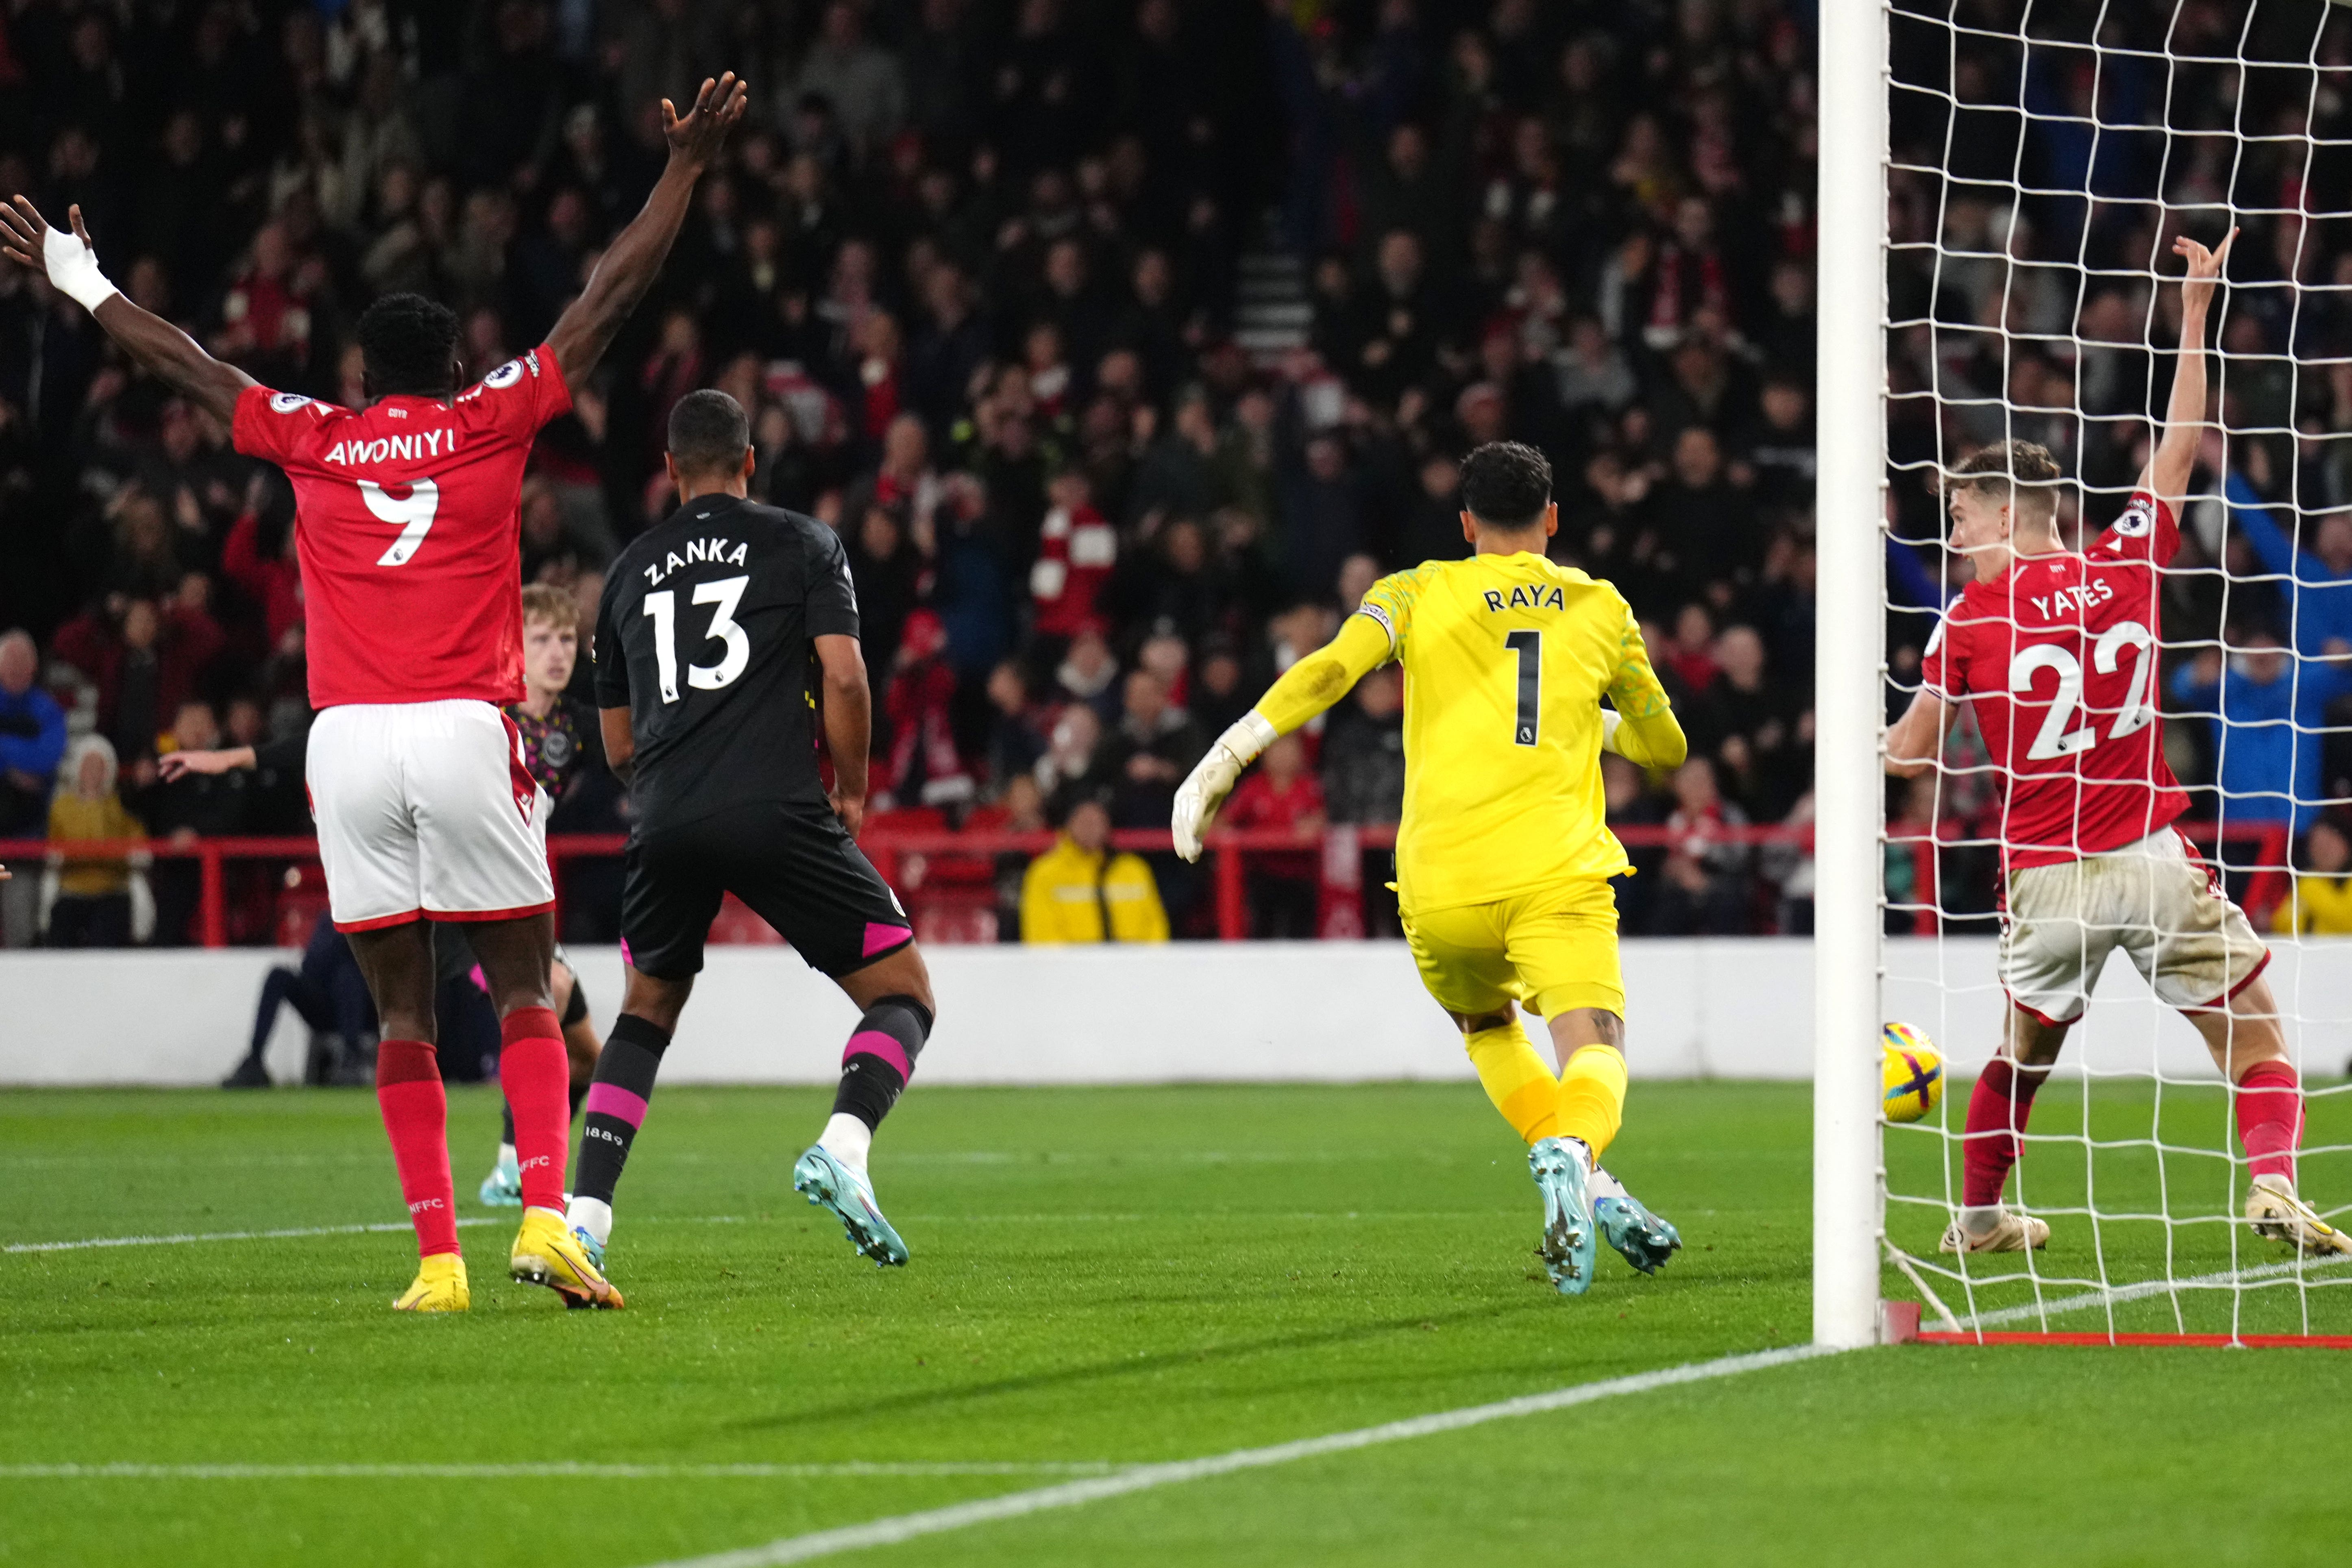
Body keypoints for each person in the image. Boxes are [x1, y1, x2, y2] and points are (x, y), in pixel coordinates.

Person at [2, 72, 752, 1312]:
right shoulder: (490, 419)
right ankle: (551, 1223)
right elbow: (606, 298)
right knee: (521, 983)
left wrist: (82, 282)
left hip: (344, 741)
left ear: (360, 376)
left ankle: (439, 1260)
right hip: (464, 724)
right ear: (455, 364)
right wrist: (684, 168)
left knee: (399, 1005)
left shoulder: (314, 435)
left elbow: (183, 366)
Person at [1886, 230, 2347, 1259]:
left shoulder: (1967, 617)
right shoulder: (2128, 560)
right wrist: (2192, 313)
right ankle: (2270, 1179)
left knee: (2022, 1053)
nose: (1954, 528)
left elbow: (1914, 756)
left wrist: (1874, 737)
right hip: (2149, 856)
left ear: (2010, 508)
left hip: (2045, 877)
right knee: (2256, 1037)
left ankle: (1977, 1216)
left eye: (1962, 510)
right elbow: (2178, 446)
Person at [1172, 440, 1689, 1296]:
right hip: (1554, 871)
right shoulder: (1601, 607)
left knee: (1488, 1028)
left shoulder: (1414, 591)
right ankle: (1577, 1148)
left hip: (1438, 884)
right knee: (1593, 1043)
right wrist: (1589, 722)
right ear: (1552, 518)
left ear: (1465, 524)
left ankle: (1591, 1184)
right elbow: (1665, 747)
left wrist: (1233, 751)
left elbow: (1334, 668)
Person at [574, 388, 936, 1285]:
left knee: (646, 1009)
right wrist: (849, 789)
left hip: (663, 813)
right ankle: (844, 1145)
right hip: (776, 806)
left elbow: (617, 745)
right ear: (748, 463)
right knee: (904, 991)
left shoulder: (626, 572)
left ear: (669, 471)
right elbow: (846, 679)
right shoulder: (803, 542)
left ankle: (581, 1221)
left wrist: (675, 789)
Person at [219, 912, 379, 1089]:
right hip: (327, 1008)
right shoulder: (330, 919)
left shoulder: (373, 919)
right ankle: (255, 1060)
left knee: (348, 976)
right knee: (278, 976)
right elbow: (310, 968)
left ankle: (351, 1059)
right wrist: (341, 937)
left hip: (369, 1009)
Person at [1019, 794, 1170, 943]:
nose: (1091, 828)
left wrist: (1149, 962)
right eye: (1084, 821)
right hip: (1071, 965)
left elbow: (1156, 926)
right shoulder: (1045, 873)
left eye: (1097, 821)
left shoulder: (1134, 869)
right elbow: (1040, 934)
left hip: (1135, 964)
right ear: (1069, 824)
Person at [45, 735, 146, 948]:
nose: (92, 772)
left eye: (98, 766)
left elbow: (138, 845)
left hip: (112, 891)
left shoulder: (122, 804)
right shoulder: (61, 806)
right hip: (72, 892)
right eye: (87, 765)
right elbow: (54, 850)